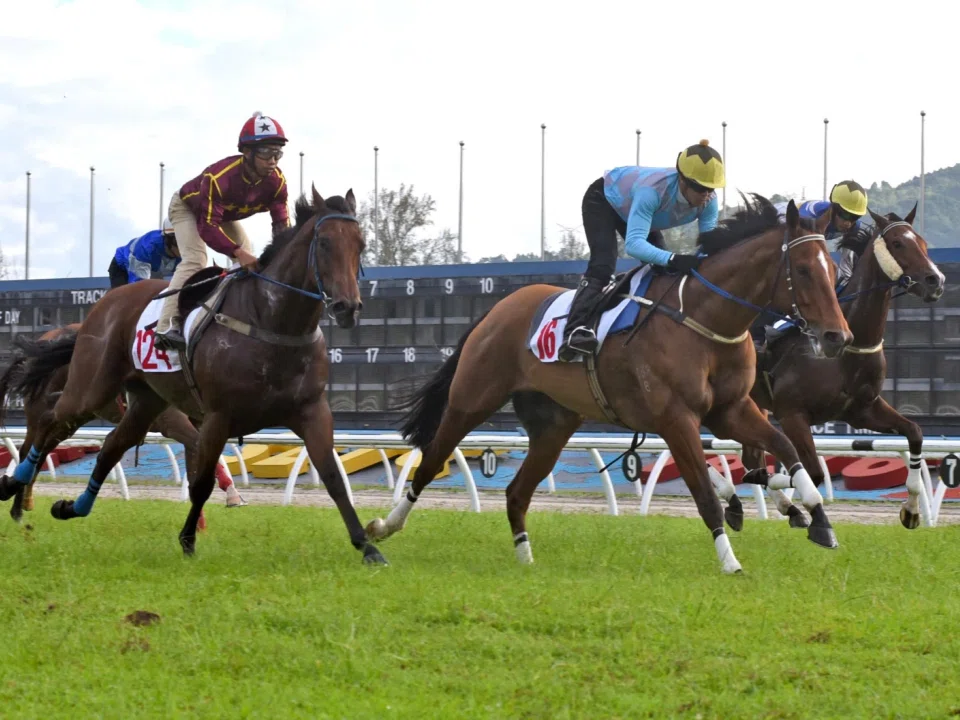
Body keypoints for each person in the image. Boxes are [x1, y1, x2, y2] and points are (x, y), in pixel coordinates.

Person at [557, 139, 725, 362]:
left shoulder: (709, 202)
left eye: (711, 188)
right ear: (683, 181)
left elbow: (708, 247)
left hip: (635, 210)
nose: (706, 194)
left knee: (664, 270)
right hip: (604, 199)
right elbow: (634, 245)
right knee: (603, 264)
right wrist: (675, 258)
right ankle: (574, 331)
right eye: (700, 188)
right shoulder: (652, 192)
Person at [155, 111, 291, 350]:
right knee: (196, 259)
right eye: (266, 152)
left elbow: (281, 228)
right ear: (247, 153)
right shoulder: (218, 178)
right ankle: (166, 326)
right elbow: (207, 227)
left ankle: (237, 315)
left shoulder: (277, 182)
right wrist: (237, 252)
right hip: (188, 207)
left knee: (248, 259)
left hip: (223, 212)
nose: (273, 160)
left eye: (277, 153)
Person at [772, 180, 868, 291]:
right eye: (845, 215)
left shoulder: (854, 227)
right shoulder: (811, 216)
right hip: (782, 214)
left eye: (854, 217)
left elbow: (845, 267)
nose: (848, 223)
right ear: (833, 207)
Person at [108, 218, 181, 289]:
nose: (183, 246)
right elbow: (139, 288)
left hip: (152, 270)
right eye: (177, 241)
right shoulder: (146, 249)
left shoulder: (188, 253)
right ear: (167, 239)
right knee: (127, 298)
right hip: (122, 268)